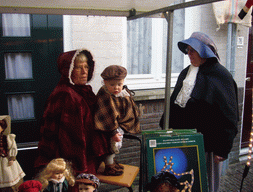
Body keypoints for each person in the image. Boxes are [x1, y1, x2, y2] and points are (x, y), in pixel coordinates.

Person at [159, 32, 238, 192]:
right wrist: (166, 126)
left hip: (208, 146)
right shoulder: (186, 73)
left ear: (204, 52)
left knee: (205, 184)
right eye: (187, 50)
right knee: (183, 183)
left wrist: (223, 148)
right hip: (182, 142)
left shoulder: (221, 76)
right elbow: (175, 103)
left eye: (192, 50)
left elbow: (229, 115)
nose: (188, 54)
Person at [34, 49, 109, 175]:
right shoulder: (66, 95)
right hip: (73, 163)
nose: (85, 72)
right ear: (67, 70)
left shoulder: (84, 91)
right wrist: (80, 165)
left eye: (86, 67)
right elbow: (71, 139)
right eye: (79, 68)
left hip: (87, 156)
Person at [94, 65, 141, 176]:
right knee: (110, 145)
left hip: (120, 124)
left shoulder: (123, 93)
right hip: (107, 127)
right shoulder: (105, 95)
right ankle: (109, 166)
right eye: (112, 85)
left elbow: (130, 107)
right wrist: (113, 131)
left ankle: (111, 162)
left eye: (119, 84)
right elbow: (106, 115)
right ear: (105, 82)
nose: (116, 88)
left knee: (116, 144)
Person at [0, 115, 26, 192]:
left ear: (2, 128)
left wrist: (12, 158)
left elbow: (12, 148)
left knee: (8, 174)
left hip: (5, 161)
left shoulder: (7, 138)